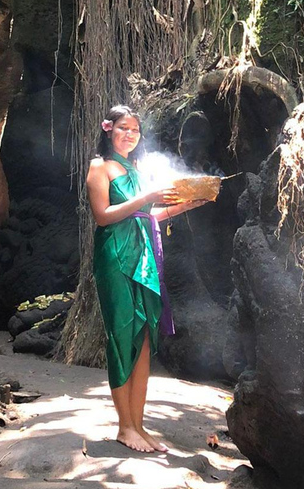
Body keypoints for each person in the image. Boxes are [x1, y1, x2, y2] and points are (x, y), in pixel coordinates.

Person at [86, 105, 209, 453]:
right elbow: (103, 216)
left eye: (136, 129)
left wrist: (185, 205)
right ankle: (124, 426)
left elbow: (148, 214)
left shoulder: (135, 169)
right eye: (124, 127)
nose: (130, 134)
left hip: (143, 259)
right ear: (109, 129)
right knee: (121, 332)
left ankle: (138, 426)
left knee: (142, 337)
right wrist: (147, 197)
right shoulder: (101, 167)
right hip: (114, 256)